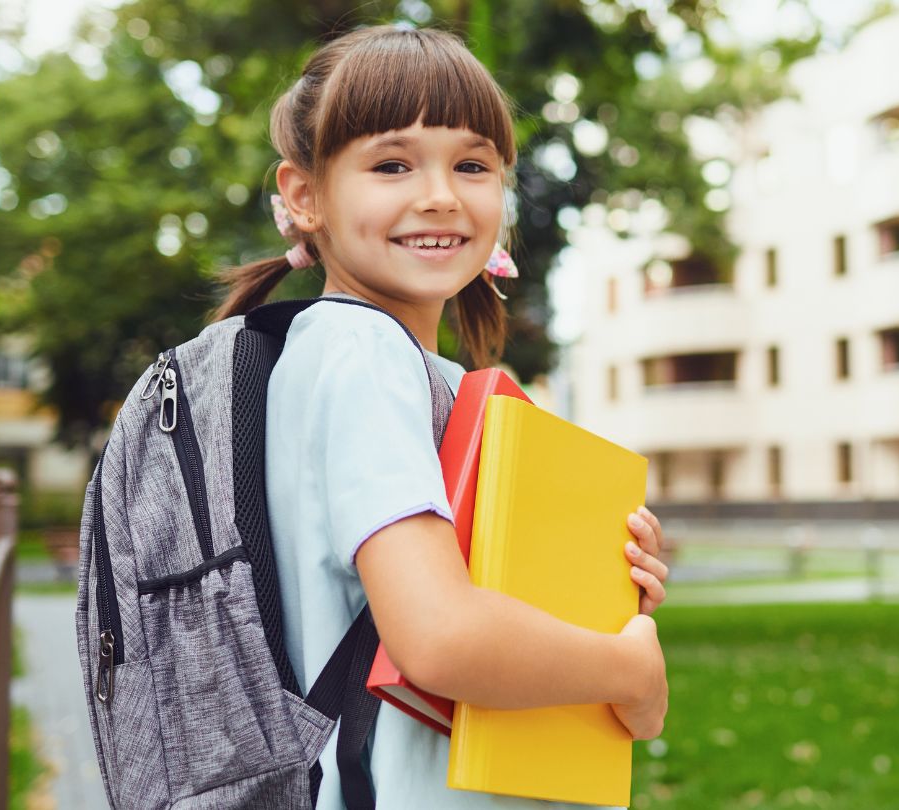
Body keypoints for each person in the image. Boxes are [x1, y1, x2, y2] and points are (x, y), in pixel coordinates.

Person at [211, 25, 672, 810]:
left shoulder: (325, 356)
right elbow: (440, 637)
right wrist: (627, 668)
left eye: (473, 165)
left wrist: (600, 586)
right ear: (304, 196)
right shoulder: (366, 356)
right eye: (392, 164)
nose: (440, 195)